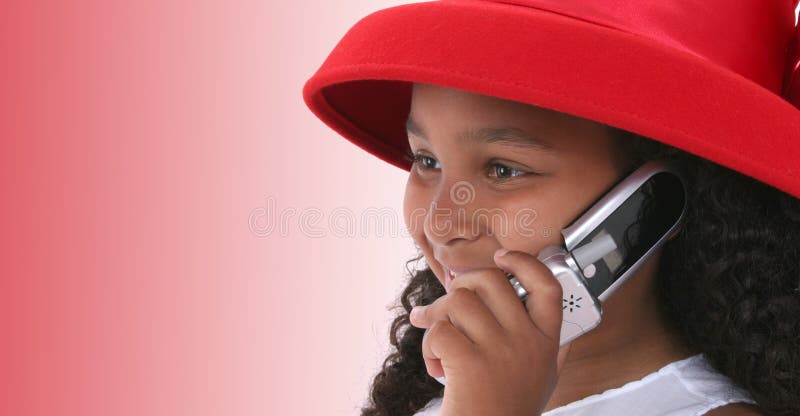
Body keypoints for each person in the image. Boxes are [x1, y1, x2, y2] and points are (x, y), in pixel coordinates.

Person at [302, 1, 800, 415]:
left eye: (502, 170)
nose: (439, 223)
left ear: (651, 205)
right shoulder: (442, 394)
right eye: (426, 160)